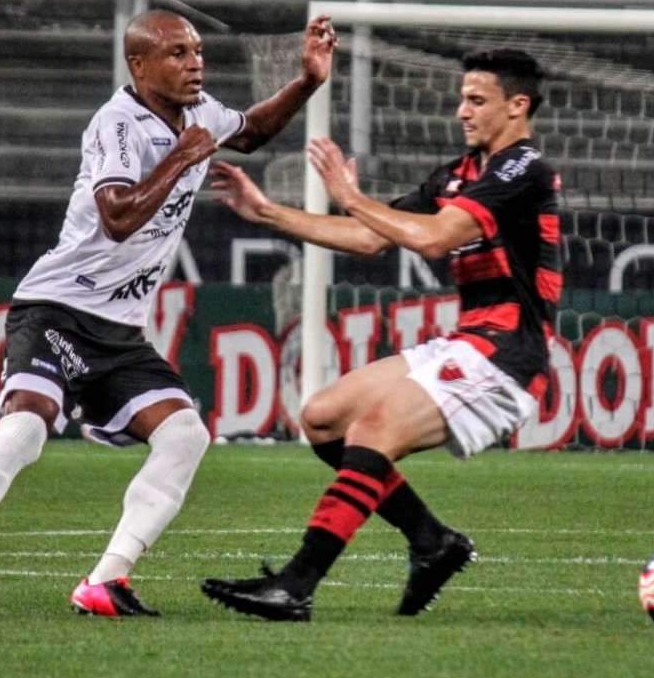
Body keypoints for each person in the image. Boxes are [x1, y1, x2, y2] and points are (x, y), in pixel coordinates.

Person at [0, 9, 338, 618]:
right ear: (139, 64)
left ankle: (106, 581)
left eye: (197, 52)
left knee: (186, 435)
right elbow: (118, 216)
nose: (196, 64)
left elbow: (252, 131)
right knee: (26, 429)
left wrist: (307, 83)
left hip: (119, 331)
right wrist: (181, 160)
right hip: (56, 308)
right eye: (179, 54)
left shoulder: (200, 114)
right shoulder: (117, 124)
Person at [201, 48, 561, 621]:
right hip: (469, 343)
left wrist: (350, 196)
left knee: (373, 429)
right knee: (322, 418)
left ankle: (296, 585)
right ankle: (432, 541)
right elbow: (371, 238)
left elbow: (436, 238)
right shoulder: (458, 175)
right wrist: (269, 213)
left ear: (518, 106)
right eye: (462, 98)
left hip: (507, 357)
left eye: (477, 100)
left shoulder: (523, 170)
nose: (462, 111)